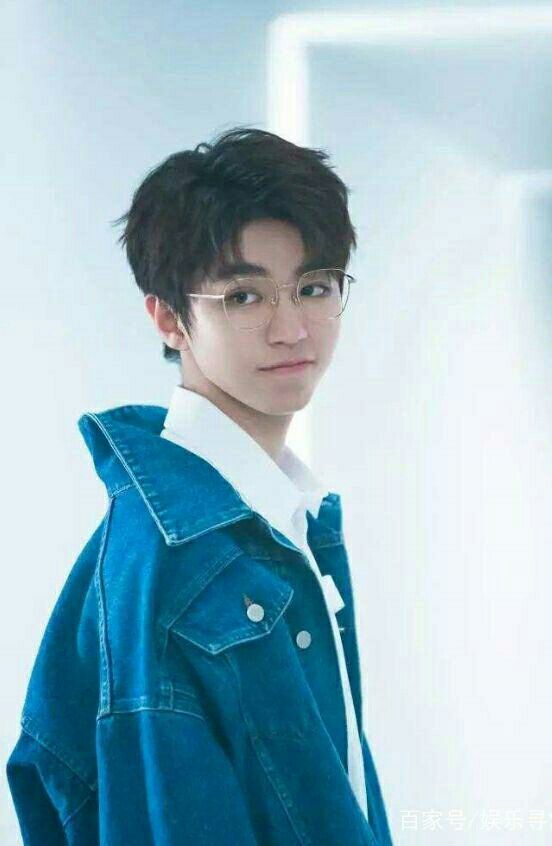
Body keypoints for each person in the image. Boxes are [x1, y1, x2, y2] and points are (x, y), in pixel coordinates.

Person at [6, 126, 393, 845]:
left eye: (313, 288)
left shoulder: (278, 526)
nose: (291, 329)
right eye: (244, 297)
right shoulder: (177, 567)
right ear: (167, 317)